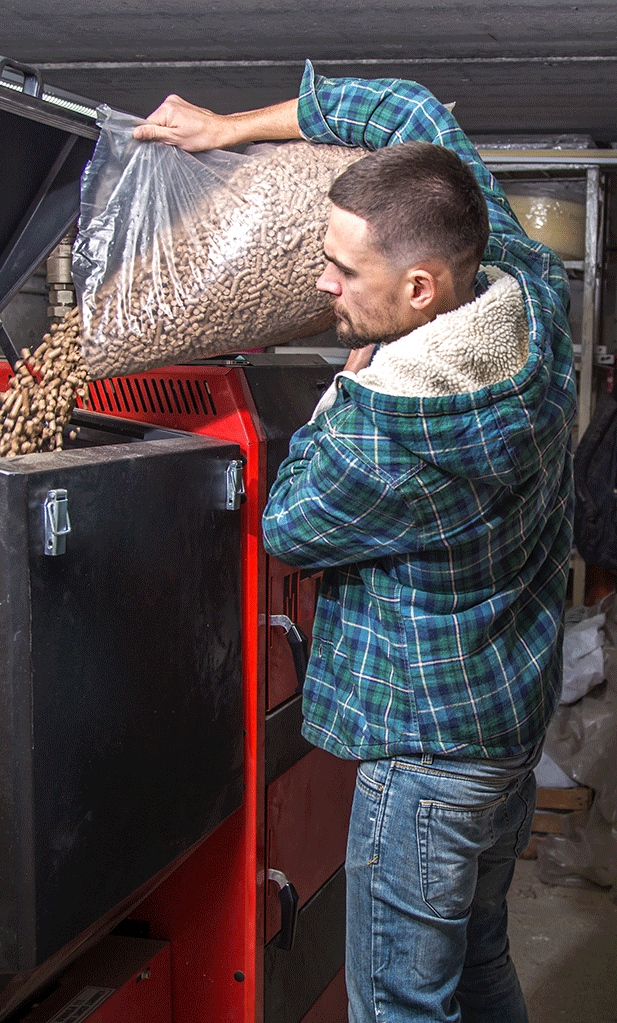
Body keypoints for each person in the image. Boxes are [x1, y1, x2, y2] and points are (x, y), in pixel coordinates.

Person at [135, 63, 576, 1023]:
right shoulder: (525, 285)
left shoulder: (393, 437)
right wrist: (227, 128)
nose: (319, 282)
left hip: (426, 763)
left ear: (419, 287)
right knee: (477, 960)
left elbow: (288, 523)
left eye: (341, 270)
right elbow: (406, 109)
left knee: (397, 1002)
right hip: (503, 717)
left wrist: (343, 390)